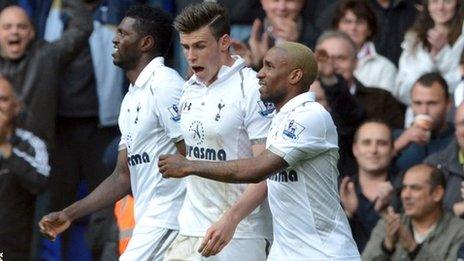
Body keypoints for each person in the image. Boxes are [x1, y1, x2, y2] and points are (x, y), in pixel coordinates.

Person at [159, 41, 360, 260]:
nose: (260, 74)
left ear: (295, 76)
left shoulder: (310, 116)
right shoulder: (280, 118)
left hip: (323, 252)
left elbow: (257, 169)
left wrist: (189, 165)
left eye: (269, 66)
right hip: (284, 251)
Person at [38, 5, 186, 260]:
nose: (115, 39)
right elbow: (121, 176)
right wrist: (69, 214)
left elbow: (193, 155)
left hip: (171, 219)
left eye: (123, 33)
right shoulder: (131, 97)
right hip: (149, 219)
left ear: (145, 43)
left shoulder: (165, 85)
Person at [164, 3, 273, 260]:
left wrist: (231, 221)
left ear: (224, 42)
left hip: (240, 232)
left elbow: (267, 170)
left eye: (200, 46)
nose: (191, 56)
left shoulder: (251, 89)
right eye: (186, 47)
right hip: (190, 228)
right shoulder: (188, 89)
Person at [0, 1, 92, 146]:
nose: (14, 32)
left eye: (22, 26)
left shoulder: (47, 56)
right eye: (7, 27)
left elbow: (81, 27)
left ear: (32, 33)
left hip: (38, 157)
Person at [362, 164, 464, 260]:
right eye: (404, 188)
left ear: (437, 193)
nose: (405, 195)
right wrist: (387, 247)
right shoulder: (388, 225)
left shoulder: (459, 231)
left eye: (415, 188)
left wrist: (413, 248)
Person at [0, 76, 49, 260]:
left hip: (13, 249)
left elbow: (41, 182)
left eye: (3, 99)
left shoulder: (30, 143)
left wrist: (5, 147)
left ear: (16, 106)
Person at [315, 30, 405, 128]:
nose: (331, 65)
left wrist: (331, 81)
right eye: (325, 59)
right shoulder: (302, 98)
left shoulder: (381, 100)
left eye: (340, 58)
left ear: (356, 62)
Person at [339, 120, 397, 252]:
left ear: (393, 149)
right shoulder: (339, 189)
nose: (373, 150)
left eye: (382, 143)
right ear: (355, 149)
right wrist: (348, 214)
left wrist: (387, 211)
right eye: (366, 143)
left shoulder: (405, 189)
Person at [395, 0, 464, 106]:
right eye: (435, 1)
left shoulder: (461, 41)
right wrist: (431, 61)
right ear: (427, 6)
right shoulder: (413, 41)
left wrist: (443, 52)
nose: (440, 7)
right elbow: (401, 92)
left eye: (447, 2)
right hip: (416, 117)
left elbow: (458, 86)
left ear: (457, 4)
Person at [332, 0, 397, 93]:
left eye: (359, 22)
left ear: (369, 29)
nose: (353, 27)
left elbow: (385, 106)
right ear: (337, 27)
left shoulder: (385, 69)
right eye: (347, 21)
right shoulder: (324, 63)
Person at [394, 72, 454, 173]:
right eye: (418, 103)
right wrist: (399, 144)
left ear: (447, 105)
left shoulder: (458, 137)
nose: (424, 111)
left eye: (432, 103)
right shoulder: (395, 138)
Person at [425, 102, 464, 216]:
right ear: (456, 131)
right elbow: (421, 215)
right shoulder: (434, 165)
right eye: (463, 123)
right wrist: (456, 209)